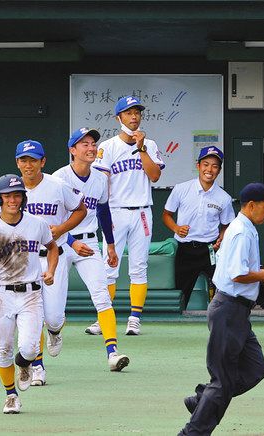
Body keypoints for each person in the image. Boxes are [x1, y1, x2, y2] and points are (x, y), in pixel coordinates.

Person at [179, 183, 264, 436]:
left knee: (256, 369)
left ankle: (202, 400)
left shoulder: (244, 228)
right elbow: (237, 274)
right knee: (222, 381)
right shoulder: (240, 232)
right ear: (251, 206)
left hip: (237, 312)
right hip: (229, 309)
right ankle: (192, 432)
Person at [0, 174, 58, 414]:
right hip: (2, 295)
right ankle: (11, 395)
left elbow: (52, 248)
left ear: (23, 197)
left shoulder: (37, 223)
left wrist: (50, 270)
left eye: (17, 195)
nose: (13, 200)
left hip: (31, 293)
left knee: (30, 348)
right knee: (2, 350)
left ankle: (24, 365)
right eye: (8, 196)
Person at [7, 139, 86, 386]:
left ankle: (55, 331)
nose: (28, 165)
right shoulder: (11, 190)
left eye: (33, 160)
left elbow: (80, 210)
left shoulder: (57, 185)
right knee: (33, 316)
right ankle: (37, 366)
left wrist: (61, 229)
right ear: (17, 162)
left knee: (52, 317)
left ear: (43, 162)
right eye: (23, 160)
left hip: (55, 256)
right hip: (24, 260)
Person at [52, 127, 129, 371]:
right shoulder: (58, 178)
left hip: (91, 243)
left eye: (93, 143)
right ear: (72, 150)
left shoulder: (99, 177)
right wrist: (72, 241)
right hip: (62, 244)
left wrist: (111, 244)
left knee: (102, 296)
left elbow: (103, 211)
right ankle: (54, 331)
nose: (91, 147)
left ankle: (112, 352)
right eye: (84, 144)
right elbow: (54, 220)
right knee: (54, 307)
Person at [92, 95, 165, 335]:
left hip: (142, 210)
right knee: (109, 266)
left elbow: (154, 176)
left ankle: (134, 319)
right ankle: (105, 316)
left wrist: (141, 148)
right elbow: (102, 181)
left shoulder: (150, 144)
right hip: (115, 211)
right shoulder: (108, 146)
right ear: (119, 117)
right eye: (129, 112)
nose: (134, 116)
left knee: (139, 266)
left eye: (137, 112)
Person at [162, 145, 235, 309]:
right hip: (185, 248)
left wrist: (221, 239)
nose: (210, 169)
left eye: (215, 166)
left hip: (210, 250)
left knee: (222, 287)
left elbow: (226, 224)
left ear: (219, 170)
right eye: (206, 164)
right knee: (181, 294)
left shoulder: (224, 198)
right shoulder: (181, 189)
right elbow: (166, 215)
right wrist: (176, 228)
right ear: (198, 166)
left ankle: (221, 321)